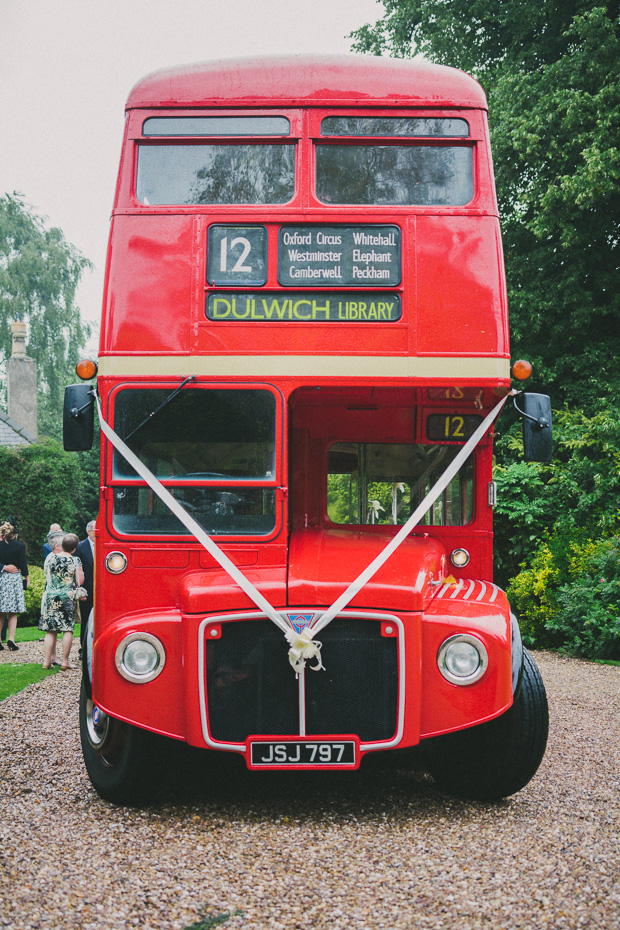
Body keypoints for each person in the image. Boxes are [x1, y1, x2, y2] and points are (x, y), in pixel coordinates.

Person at [39, 532, 85, 670]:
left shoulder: (51, 558)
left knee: (50, 630)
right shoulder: (75, 560)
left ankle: (46, 662)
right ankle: (65, 661)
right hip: (67, 596)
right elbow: (79, 581)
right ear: (75, 547)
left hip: (52, 595)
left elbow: (47, 575)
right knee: (67, 629)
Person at [0, 520, 29, 651]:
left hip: (1, 579)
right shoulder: (20, 546)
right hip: (14, 579)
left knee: (1, 612)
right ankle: (11, 638)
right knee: (13, 611)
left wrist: (3, 567)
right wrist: (26, 578)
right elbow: (23, 564)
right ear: (14, 534)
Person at [75, 520, 95, 647]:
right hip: (86, 590)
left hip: (102, 591)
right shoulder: (80, 547)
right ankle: (83, 647)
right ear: (89, 531)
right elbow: (76, 571)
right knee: (86, 620)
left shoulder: (105, 544)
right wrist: (80, 590)